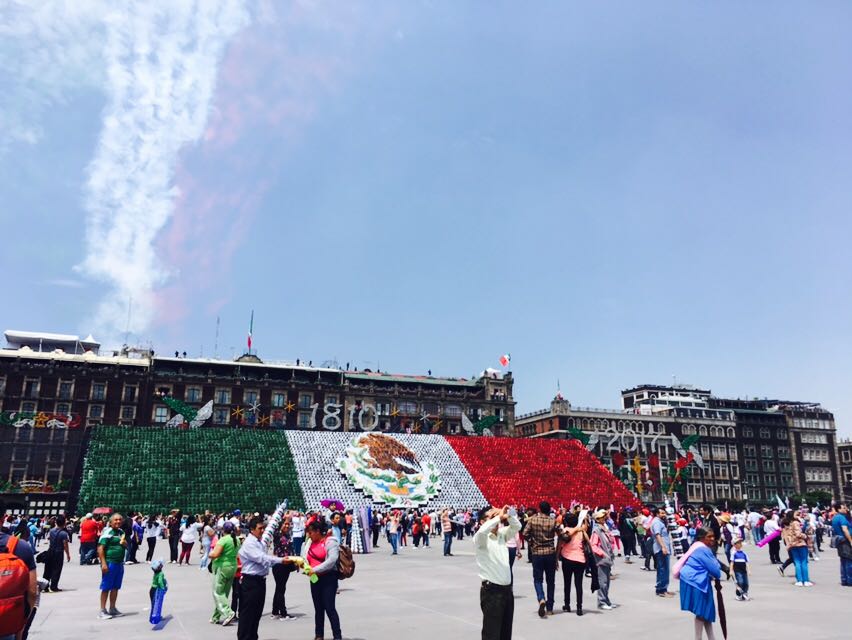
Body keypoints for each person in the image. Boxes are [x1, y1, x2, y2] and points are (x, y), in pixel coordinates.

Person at [237, 516, 290, 640]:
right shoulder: (250, 543)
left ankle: (252, 637)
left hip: (259, 581)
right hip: (251, 582)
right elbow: (262, 558)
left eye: (263, 528)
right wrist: (281, 560)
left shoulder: (258, 542)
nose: (262, 531)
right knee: (248, 615)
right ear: (251, 529)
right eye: (260, 528)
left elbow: (266, 560)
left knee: (256, 614)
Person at [475, 506, 520, 640]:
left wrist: (508, 514)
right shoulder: (481, 538)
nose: (496, 520)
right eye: (491, 517)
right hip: (492, 592)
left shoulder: (502, 534)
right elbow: (482, 532)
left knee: (506, 633)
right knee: (492, 634)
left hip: (507, 591)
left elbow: (517, 526)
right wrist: (498, 517)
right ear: (483, 521)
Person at [0, 501, 37, 640]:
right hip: (6, 624)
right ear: (4, 518)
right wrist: (21, 626)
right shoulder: (20, 547)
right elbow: (32, 592)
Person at [677, 527, 721, 640]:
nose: (712, 539)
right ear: (702, 538)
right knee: (702, 612)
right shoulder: (703, 549)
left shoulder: (697, 546)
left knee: (706, 612)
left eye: (713, 536)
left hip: (691, 579)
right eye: (709, 537)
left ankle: (711, 638)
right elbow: (716, 570)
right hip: (696, 581)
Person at [304, 519, 342, 640]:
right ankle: (319, 635)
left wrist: (315, 569)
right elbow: (305, 557)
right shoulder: (310, 543)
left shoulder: (330, 542)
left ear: (318, 531)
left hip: (328, 578)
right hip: (314, 579)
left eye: (311, 532)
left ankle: (337, 635)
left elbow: (332, 560)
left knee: (329, 607)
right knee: (318, 608)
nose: (309, 535)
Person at [522, 501, 558, 618]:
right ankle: (550, 608)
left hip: (537, 553)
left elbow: (525, 533)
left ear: (539, 509)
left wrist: (532, 542)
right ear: (549, 510)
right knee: (550, 581)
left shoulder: (532, 520)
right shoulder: (553, 521)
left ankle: (541, 598)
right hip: (550, 553)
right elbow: (563, 535)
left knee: (538, 580)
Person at [208, 521, 240, 625]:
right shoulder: (236, 540)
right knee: (224, 593)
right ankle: (215, 617)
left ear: (223, 530)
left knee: (217, 592)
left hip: (222, 567)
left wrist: (210, 554)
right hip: (232, 566)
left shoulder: (223, 540)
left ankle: (228, 612)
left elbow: (216, 554)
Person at [97, 513, 127, 619]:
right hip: (110, 563)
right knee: (106, 587)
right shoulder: (107, 532)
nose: (118, 522)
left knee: (115, 587)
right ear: (110, 522)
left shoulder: (121, 532)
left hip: (119, 563)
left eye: (120, 520)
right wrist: (103, 563)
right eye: (116, 520)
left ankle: (112, 608)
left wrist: (125, 544)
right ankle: (102, 610)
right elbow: (100, 548)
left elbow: (125, 545)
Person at [558, 512, 587, 616]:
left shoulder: (565, 531)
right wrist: (584, 519)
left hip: (567, 559)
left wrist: (557, 558)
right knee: (579, 584)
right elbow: (585, 528)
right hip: (580, 559)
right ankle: (579, 607)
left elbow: (560, 544)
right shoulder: (581, 531)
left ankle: (567, 604)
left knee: (567, 583)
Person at [271, 519, 297, 620]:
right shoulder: (278, 534)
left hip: (287, 564)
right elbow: (274, 532)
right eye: (285, 524)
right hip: (279, 564)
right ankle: (283, 613)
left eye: (288, 524)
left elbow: (290, 549)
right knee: (281, 588)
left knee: (279, 588)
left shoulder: (287, 535)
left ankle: (275, 611)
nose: (287, 526)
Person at [590, 509, 616, 610]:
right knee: (603, 581)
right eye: (602, 517)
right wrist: (602, 553)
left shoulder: (604, 528)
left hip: (607, 558)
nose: (604, 518)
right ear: (597, 519)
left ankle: (606, 600)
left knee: (607, 581)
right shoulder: (596, 530)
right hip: (601, 559)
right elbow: (593, 545)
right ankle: (601, 602)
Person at [781, 511, 812, 587]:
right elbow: (798, 534)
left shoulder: (789, 524)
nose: (798, 515)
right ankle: (806, 580)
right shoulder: (796, 523)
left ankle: (799, 580)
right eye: (796, 514)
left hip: (793, 545)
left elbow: (787, 536)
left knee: (797, 562)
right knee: (804, 562)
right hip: (800, 544)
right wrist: (806, 536)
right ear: (792, 515)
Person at [650, 505, 675, 598]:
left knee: (665, 569)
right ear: (657, 514)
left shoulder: (661, 522)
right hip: (661, 549)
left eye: (664, 513)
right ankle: (660, 589)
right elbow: (658, 535)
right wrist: (663, 547)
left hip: (664, 548)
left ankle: (664, 588)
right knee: (662, 569)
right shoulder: (657, 522)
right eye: (662, 513)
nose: (664, 514)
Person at [42, 515, 70, 593]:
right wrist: (68, 554)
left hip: (50, 551)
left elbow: (49, 539)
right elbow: (65, 545)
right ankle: (54, 587)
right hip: (58, 552)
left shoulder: (51, 531)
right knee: (56, 569)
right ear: (64, 523)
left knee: (47, 569)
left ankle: (45, 586)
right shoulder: (64, 533)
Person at [830, 502, 852, 586]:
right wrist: (850, 540)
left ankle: (844, 579)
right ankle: (850, 580)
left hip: (839, 540)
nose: (845, 509)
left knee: (843, 561)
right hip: (845, 541)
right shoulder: (842, 518)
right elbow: (845, 529)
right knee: (849, 561)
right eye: (843, 507)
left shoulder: (835, 518)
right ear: (839, 509)